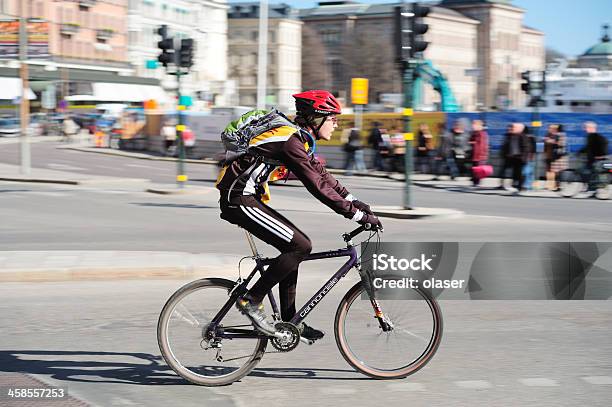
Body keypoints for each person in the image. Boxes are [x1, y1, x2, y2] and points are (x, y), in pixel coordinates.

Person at [215, 90, 382, 340]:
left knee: (294, 247)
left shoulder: (297, 139)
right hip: (238, 199)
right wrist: (356, 217)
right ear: (317, 118)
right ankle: (250, 300)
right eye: (333, 118)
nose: (336, 124)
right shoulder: (290, 141)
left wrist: (355, 202)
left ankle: (289, 321)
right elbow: (316, 185)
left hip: (247, 197)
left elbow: (323, 175)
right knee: (299, 246)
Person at [579, 121, 609, 190]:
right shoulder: (598, 137)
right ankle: (592, 188)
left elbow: (590, 147)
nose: (584, 129)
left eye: (586, 127)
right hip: (596, 159)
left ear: (591, 128)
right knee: (590, 173)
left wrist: (599, 155)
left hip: (596, 160)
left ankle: (592, 188)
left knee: (584, 171)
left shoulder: (593, 137)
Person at [501, 123, 528, 190]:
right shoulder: (510, 136)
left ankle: (520, 186)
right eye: (512, 127)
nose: (512, 128)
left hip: (520, 158)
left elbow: (525, 148)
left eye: (514, 127)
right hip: (513, 158)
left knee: (519, 173)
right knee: (515, 173)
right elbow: (506, 146)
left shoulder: (523, 136)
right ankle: (516, 185)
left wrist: (523, 158)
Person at [544, 124, 568, 190]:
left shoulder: (560, 135)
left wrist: (551, 141)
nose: (550, 130)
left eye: (553, 128)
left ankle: (558, 185)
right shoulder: (549, 135)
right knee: (554, 171)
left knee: (557, 172)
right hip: (555, 156)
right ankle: (555, 185)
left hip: (558, 157)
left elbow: (560, 143)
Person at [468, 120, 489, 186]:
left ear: (479, 126)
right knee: (474, 168)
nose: (473, 126)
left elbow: (482, 145)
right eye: (473, 125)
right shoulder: (474, 133)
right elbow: (470, 141)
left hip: (479, 155)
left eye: (474, 125)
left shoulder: (482, 134)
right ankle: (475, 181)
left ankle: (477, 182)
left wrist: (483, 155)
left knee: (478, 169)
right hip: (474, 154)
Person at [521, 125, 536, 190]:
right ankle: (529, 185)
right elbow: (534, 148)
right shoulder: (532, 137)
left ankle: (527, 185)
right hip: (530, 156)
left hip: (527, 156)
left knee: (526, 171)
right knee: (530, 172)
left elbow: (532, 148)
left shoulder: (526, 137)